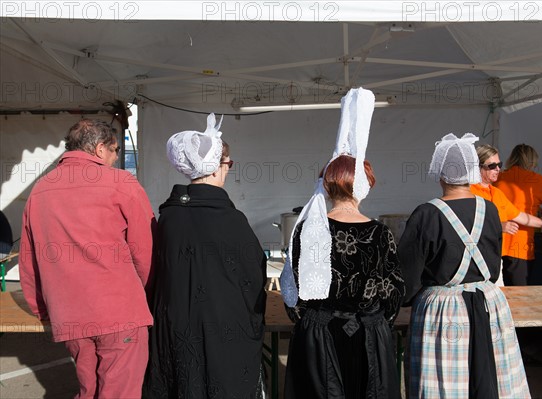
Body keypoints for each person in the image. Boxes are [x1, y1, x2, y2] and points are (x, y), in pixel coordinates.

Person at [281, 88, 405, 399]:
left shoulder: (306, 229)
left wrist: (314, 323)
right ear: (366, 185)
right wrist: (375, 322)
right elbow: (393, 293)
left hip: (318, 338)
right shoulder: (380, 234)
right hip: (368, 339)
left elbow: (292, 294)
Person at [19, 119, 156, 398]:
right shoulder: (122, 183)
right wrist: (147, 295)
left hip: (68, 313)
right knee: (120, 392)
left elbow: (29, 261)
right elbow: (145, 253)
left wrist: (42, 309)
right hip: (119, 310)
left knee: (88, 388)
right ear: (99, 148)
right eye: (116, 150)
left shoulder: (40, 190)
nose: (117, 157)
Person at [143, 114, 267, 398]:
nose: (228, 170)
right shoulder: (230, 219)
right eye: (228, 164)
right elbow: (254, 275)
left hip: (175, 324)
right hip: (223, 328)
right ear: (215, 168)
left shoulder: (169, 216)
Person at [398, 133, 530, 399]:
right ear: (472, 172)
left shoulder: (426, 213)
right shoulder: (489, 209)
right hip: (488, 303)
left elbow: (406, 275)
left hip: (444, 309)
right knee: (493, 379)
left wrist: (404, 299)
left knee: (446, 384)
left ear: (440, 174)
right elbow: (493, 267)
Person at [471, 144, 542, 285]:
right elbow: (466, 221)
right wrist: (499, 226)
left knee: (507, 291)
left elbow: (519, 215)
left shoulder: (496, 189)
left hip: (497, 249)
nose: (498, 169)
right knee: (516, 289)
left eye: (499, 164)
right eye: (492, 166)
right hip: (511, 246)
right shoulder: (469, 191)